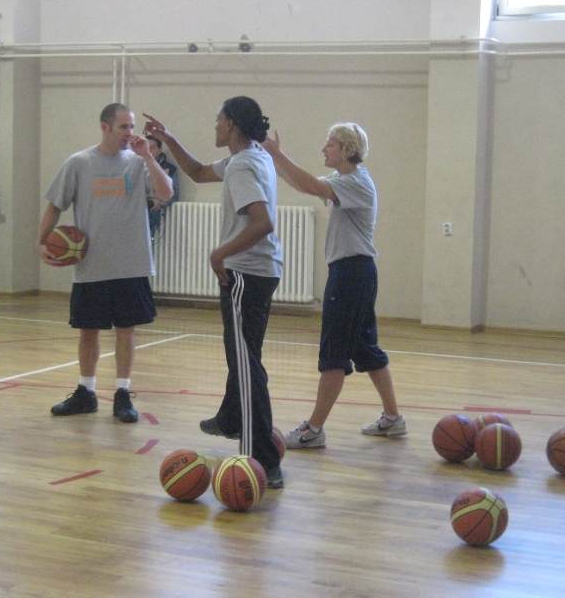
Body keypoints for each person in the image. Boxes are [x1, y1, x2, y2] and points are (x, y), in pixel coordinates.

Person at [144, 97, 285, 488]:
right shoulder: (252, 155)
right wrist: (168, 138)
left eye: (218, 120)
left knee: (246, 364)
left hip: (245, 273)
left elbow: (262, 223)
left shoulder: (242, 166)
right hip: (262, 271)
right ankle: (230, 417)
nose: (215, 126)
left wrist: (218, 253)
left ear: (232, 125)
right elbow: (199, 171)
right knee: (244, 354)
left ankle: (265, 459)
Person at [261, 122, 406, 449]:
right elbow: (307, 185)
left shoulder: (356, 182)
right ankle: (393, 418)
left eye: (330, 143)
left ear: (347, 149)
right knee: (365, 349)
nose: (323, 149)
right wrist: (277, 162)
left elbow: (310, 185)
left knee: (334, 353)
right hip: (356, 273)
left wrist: (276, 153)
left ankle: (313, 430)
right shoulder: (345, 180)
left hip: (351, 275)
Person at [37, 103, 173, 423]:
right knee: (88, 331)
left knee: (126, 330)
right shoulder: (80, 163)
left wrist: (148, 157)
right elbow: (55, 205)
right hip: (92, 264)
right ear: (105, 127)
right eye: (123, 126)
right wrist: (41, 241)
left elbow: (166, 193)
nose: (130, 133)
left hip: (131, 263)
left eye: (132, 127)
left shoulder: (139, 163)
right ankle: (86, 392)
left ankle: (122, 394)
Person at [145, 134, 179, 240]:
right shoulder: (136, 167)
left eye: (152, 147)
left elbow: (174, 195)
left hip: (153, 212)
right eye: (146, 147)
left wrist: (159, 203)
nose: (149, 151)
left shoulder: (170, 169)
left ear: (159, 150)